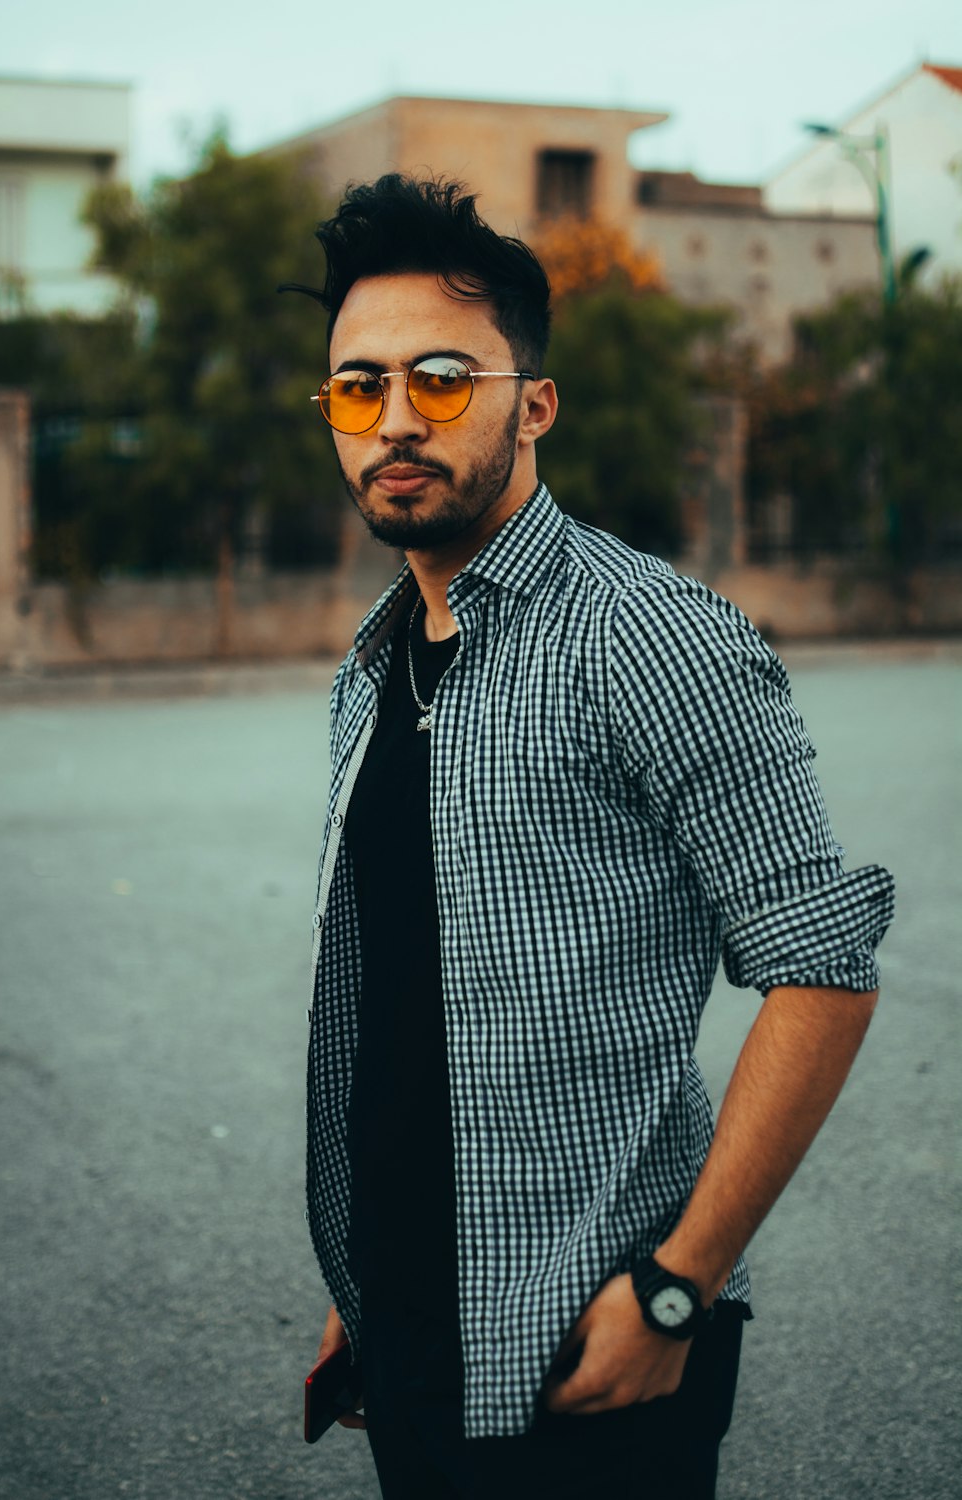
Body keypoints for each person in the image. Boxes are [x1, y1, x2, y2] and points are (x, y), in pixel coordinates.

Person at [286, 175, 894, 1499]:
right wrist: (369, 1276)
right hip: (413, 1327)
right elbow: (409, 1005)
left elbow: (824, 971)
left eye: (442, 378)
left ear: (535, 403)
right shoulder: (379, 658)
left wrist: (678, 1292)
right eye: (357, 385)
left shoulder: (653, 640)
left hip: (595, 1346)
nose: (395, 420)